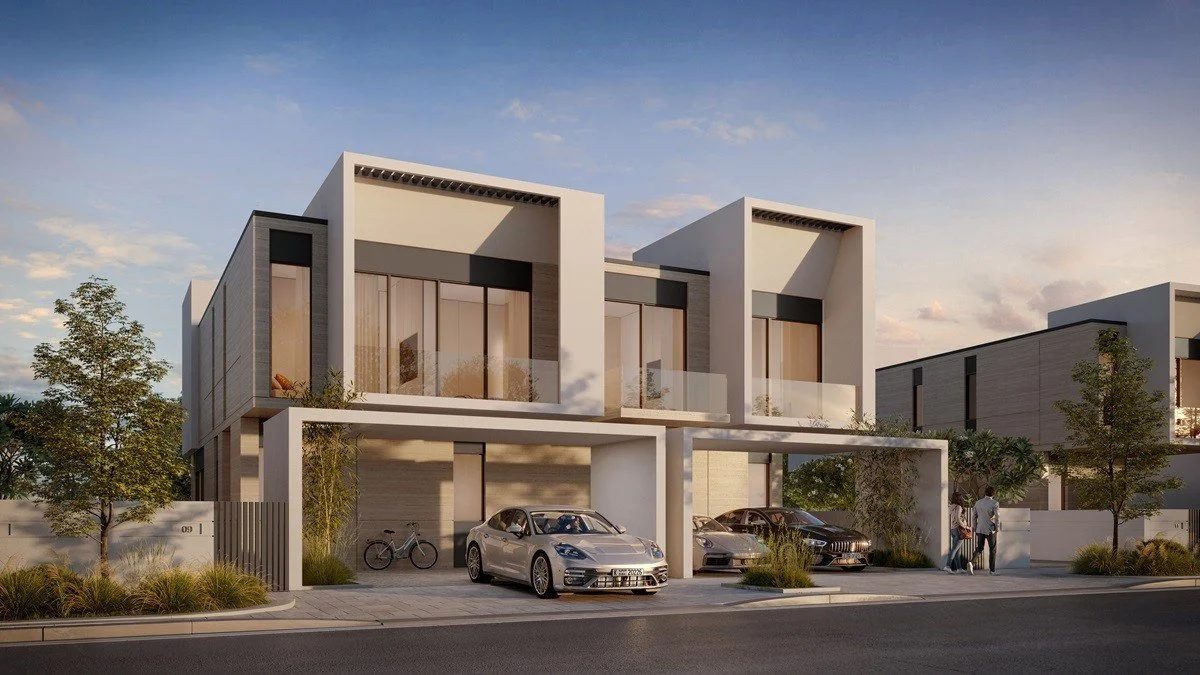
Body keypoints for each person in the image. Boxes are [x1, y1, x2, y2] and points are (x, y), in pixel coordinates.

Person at [943, 491, 973, 575]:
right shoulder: (959, 507)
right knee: (954, 550)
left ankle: (959, 568)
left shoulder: (951, 506)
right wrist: (965, 526)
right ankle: (948, 566)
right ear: (960, 498)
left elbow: (953, 517)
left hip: (953, 529)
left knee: (957, 550)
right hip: (959, 529)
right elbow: (958, 519)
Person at [973, 486, 1001, 575]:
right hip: (990, 530)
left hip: (980, 528)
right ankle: (992, 570)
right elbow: (997, 517)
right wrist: (997, 528)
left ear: (985, 493)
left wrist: (975, 528)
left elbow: (974, 516)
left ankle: (971, 562)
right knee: (992, 549)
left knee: (979, 548)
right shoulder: (995, 503)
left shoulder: (978, 503)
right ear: (993, 494)